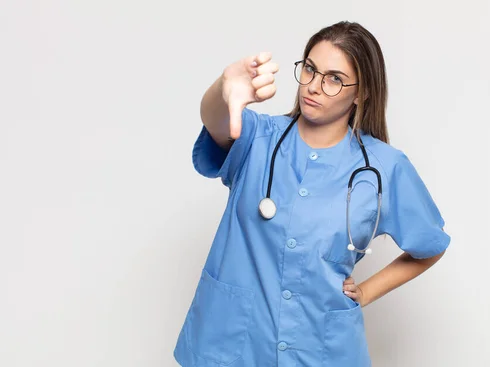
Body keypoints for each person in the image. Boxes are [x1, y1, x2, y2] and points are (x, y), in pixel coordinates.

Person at [173, 20, 451, 367]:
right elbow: (215, 119)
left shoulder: (384, 168)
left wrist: (365, 291)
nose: (315, 86)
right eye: (310, 69)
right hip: (234, 346)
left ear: (361, 92)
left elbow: (429, 246)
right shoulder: (258, 138)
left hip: (321, 350)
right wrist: (223, 88)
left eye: (334, 78)